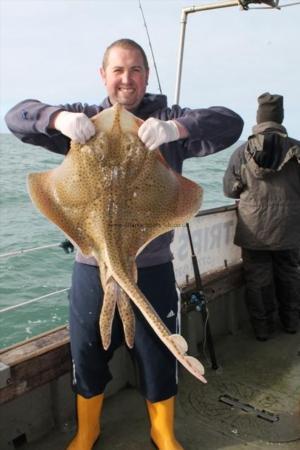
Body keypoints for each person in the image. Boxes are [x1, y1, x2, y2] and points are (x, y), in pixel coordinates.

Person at [5, 38, 243, 450]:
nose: (126, 79)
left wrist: (177, 128)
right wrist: (57, 118)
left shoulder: (167, 121)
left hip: (150, 264)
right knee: (87, 348)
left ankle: (162, 432)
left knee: (157, 349)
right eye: (117, 70)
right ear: (104, 76)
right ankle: (87, 430)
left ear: (146, 76)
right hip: (90, 265)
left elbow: (230, 122)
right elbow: (16, 116)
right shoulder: (84, 120)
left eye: (135, 70)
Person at [223, 92, 300, 342]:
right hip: (290, 229)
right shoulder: (296, 148)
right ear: (280, 118)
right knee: (290, 275)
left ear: (259, 117)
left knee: (257, 279)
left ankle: (263, 329)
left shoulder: (242, 152)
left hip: (254, 230)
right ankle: (291, 323)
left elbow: (229, 189)